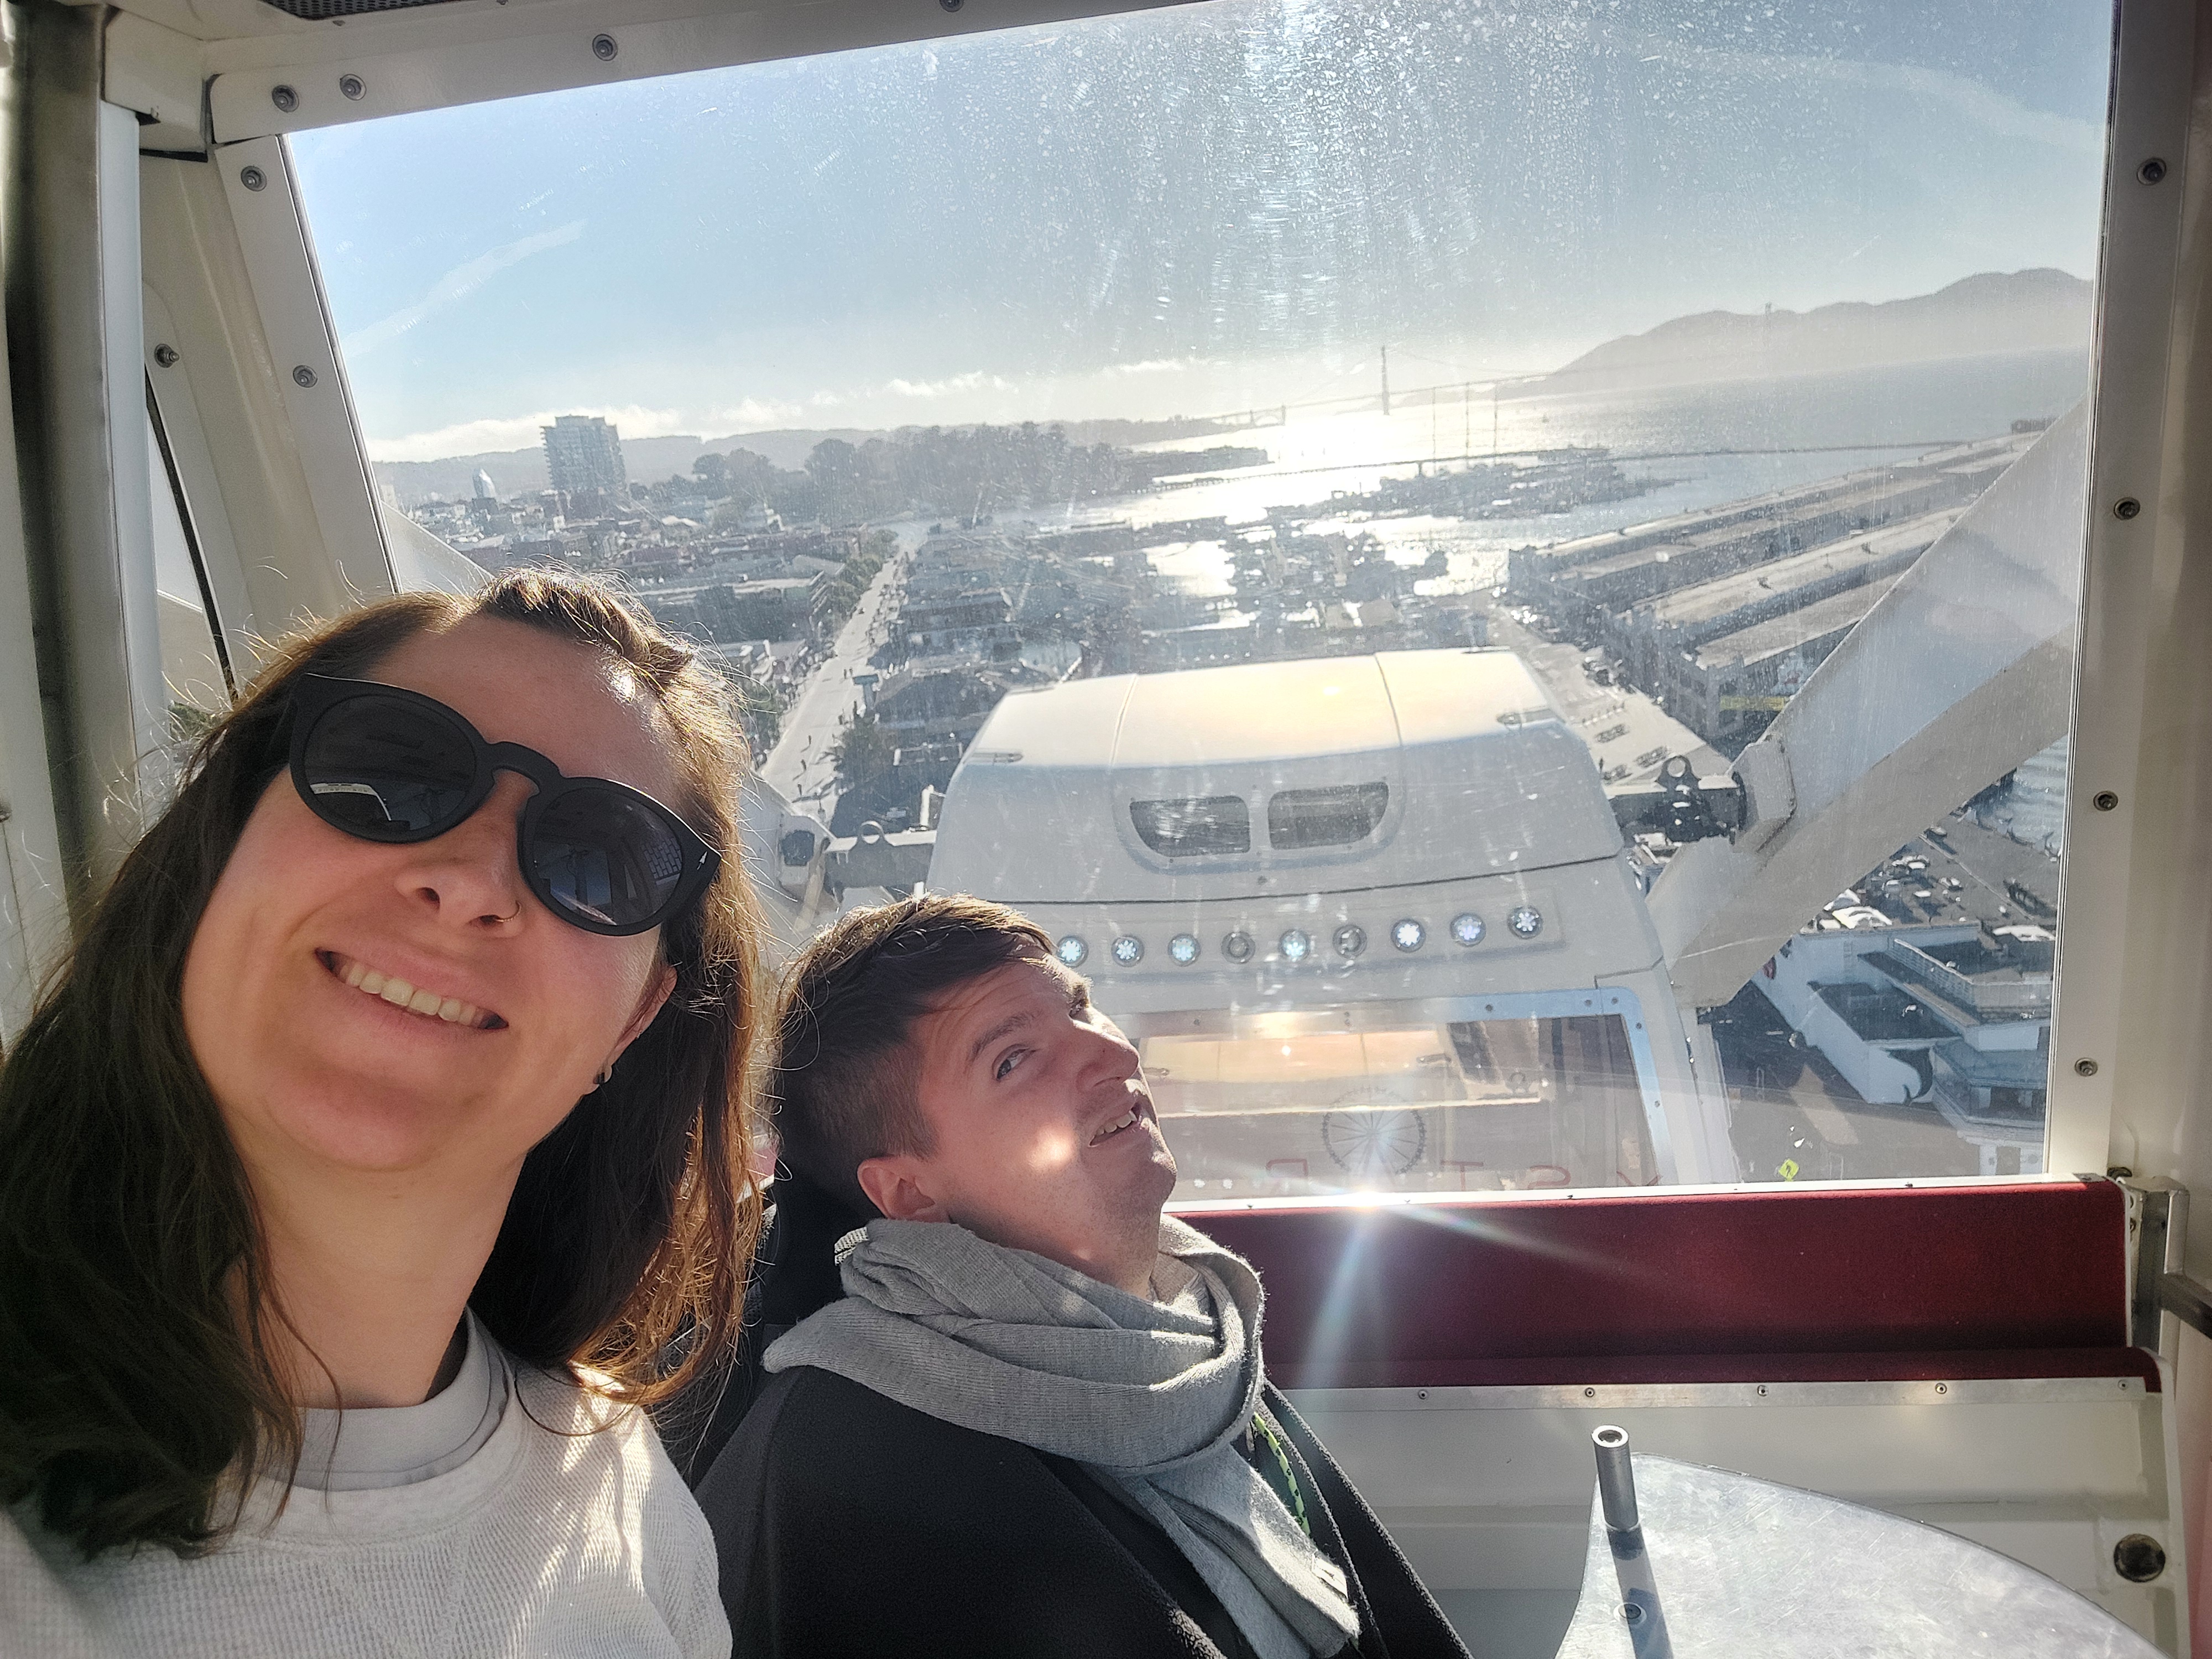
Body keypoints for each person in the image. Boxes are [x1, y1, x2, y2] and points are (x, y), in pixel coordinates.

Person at [0, 570, 760, 1658]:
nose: (470, 879)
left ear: (633, 1022)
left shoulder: (626, 1502)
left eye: (599, 855)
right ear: (218, 848)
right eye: (386, 766)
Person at [698, 894, 1472, 1659]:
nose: (1115, 1056)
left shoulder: (1185, 1336)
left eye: (1082, 1008)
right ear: (909, 1194)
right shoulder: (859, 1471)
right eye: (1014, 1058)